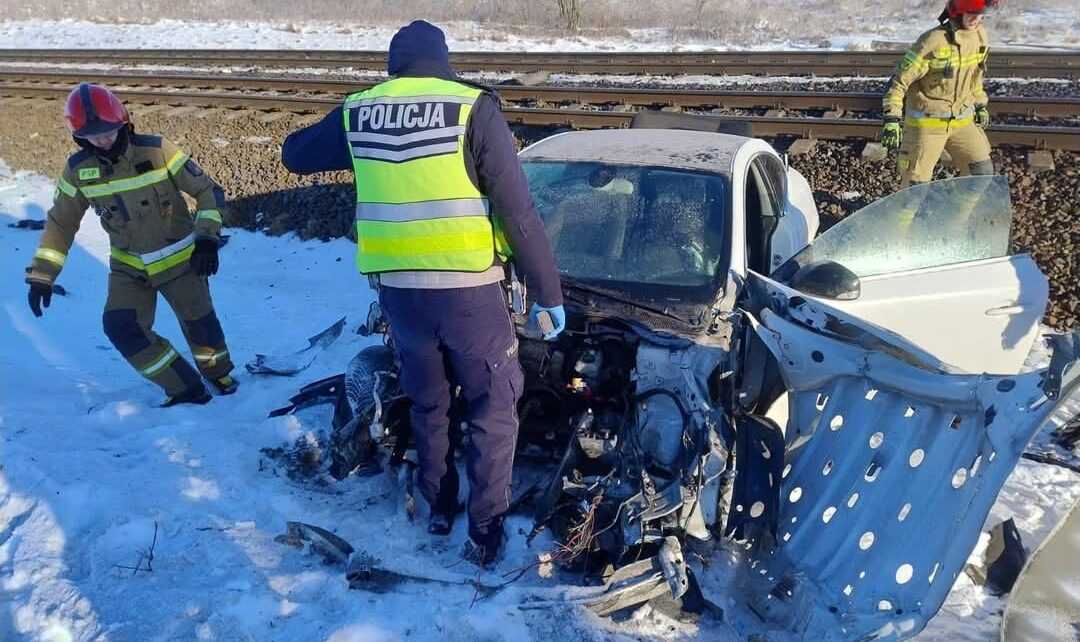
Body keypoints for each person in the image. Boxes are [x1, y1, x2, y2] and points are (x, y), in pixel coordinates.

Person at [281, 20, 565, 566]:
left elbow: (294, 155)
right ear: (443, 61)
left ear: (393, 65)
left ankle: (437, 506)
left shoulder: (360, 109)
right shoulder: (470, 107)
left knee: (430, 403)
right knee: (492, 409)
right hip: (470, 298)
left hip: (401, 300)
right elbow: (519, 213)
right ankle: (484, 534)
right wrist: (548, 293)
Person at [26, 83, 236, 407]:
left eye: (109, 130)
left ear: (123, 121)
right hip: (130, 269)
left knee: (202, 326)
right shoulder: (78, 171)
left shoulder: (157, 149)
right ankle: (184, 387)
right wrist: (42, 275)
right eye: (92, 135)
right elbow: (60, 223)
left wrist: (207, 238)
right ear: (78, 136)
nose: (102, 139)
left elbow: (209, 191)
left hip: (181, 261)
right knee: (121, 327)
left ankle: (219, 374)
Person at [880, 0, 998, 187]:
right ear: (958, 12)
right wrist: (892, 119)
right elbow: (898, 82)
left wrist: (980, 104)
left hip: (962, 122)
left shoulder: (980, 37)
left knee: (981, 173)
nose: (976, 18)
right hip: (926, 126)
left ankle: (958, 216)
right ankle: (905, 217)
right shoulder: (933, 41)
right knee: (915, 187)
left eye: (981, 13)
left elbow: (975, 78)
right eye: (971, 13)